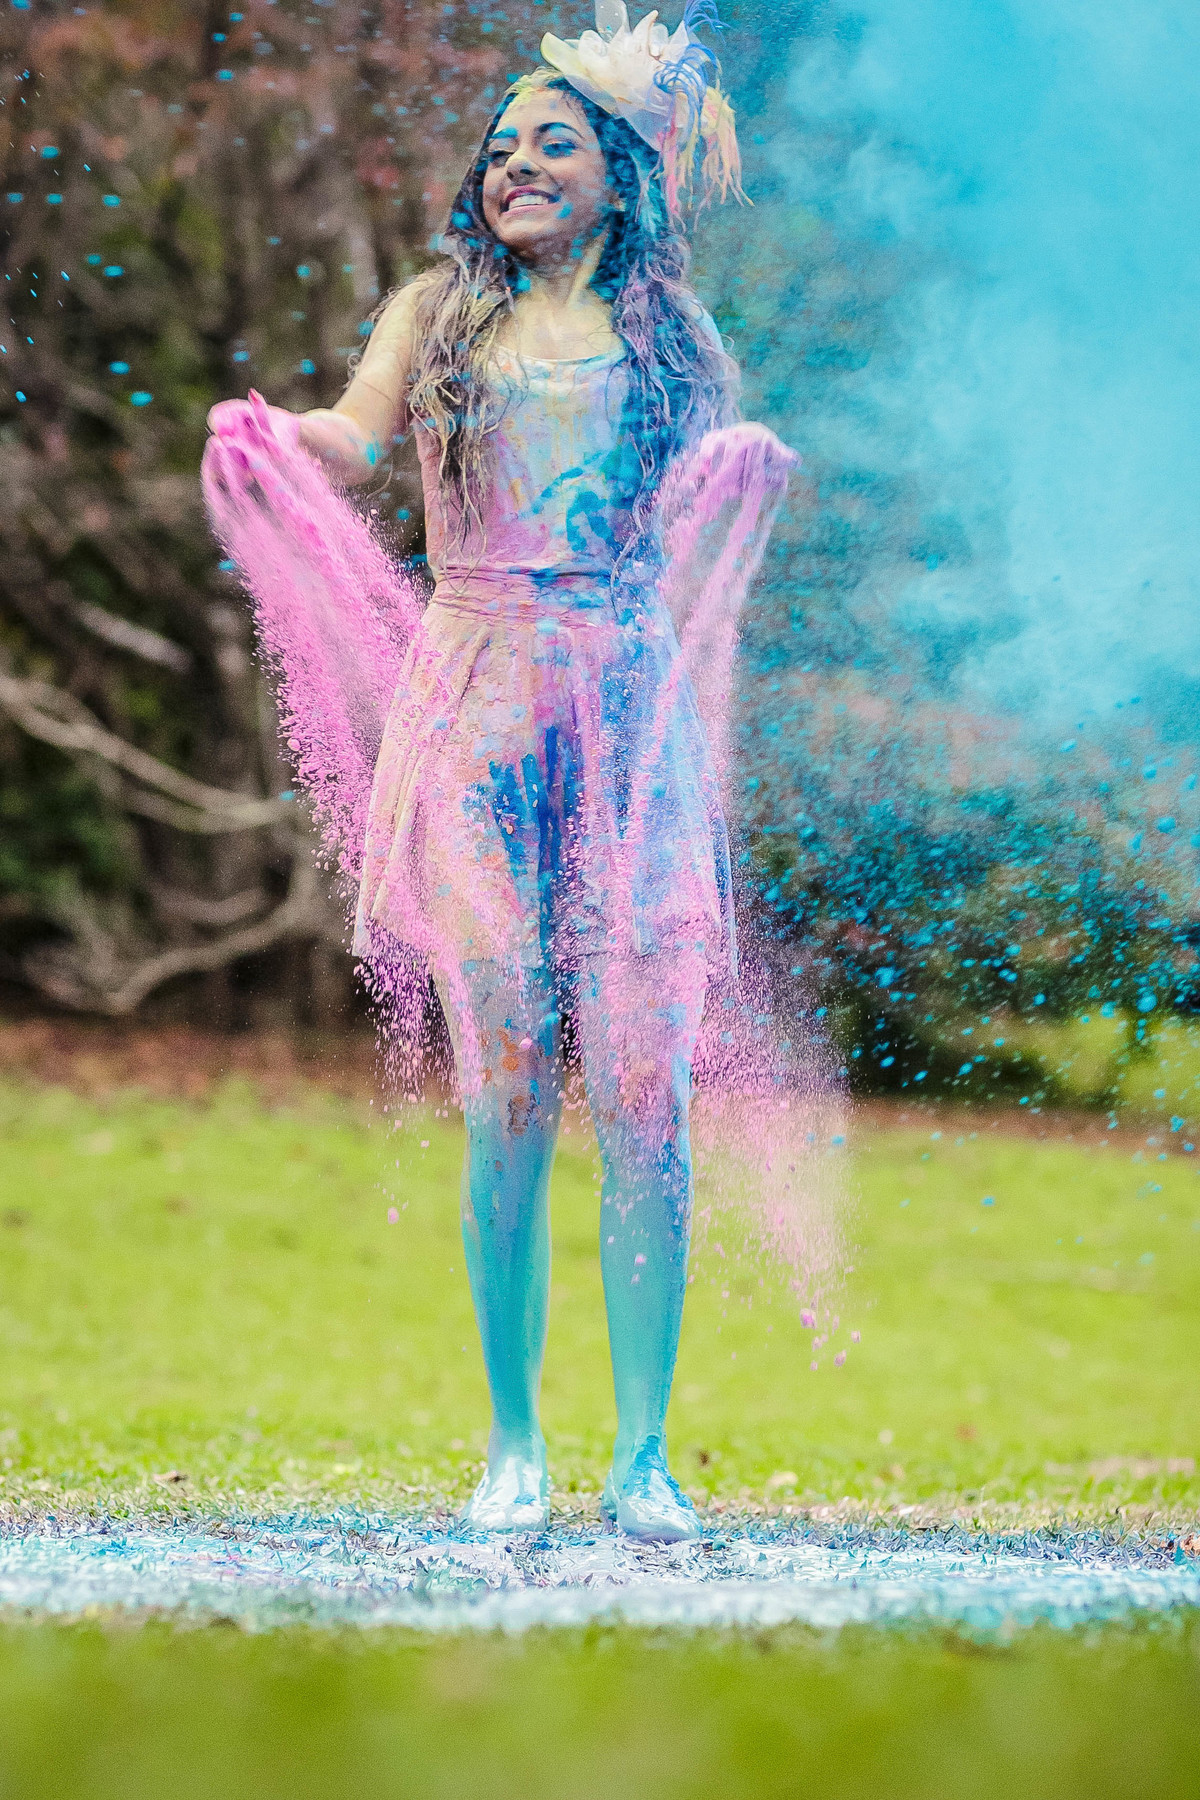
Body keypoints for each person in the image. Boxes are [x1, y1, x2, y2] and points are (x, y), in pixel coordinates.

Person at [208, 1, 795, 1540]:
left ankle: (644, 1454)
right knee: (512, 1081)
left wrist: (741, 477)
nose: (516, 166)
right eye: (500, 149)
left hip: (628, 722)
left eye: (552, 145)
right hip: (476, 717)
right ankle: (514, 1446)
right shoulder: (436, 313)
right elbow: (352, 436)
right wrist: (279, 437)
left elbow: (693, 513)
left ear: (623, 176)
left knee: (649, 1085)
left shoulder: (677, 338)